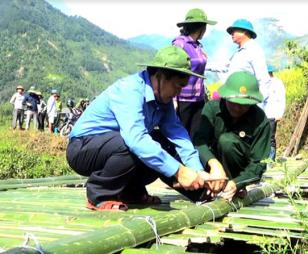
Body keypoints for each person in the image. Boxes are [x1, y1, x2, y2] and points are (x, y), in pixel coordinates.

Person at [66, 46, 222, 211]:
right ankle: (99, 195)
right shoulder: (130, 90)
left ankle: (132, 192)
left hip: (115, 147)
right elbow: (136, 139)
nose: (177, 93)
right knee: (133, 144)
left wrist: (196, 171)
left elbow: (177, 135)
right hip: (82, 148)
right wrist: (178, 171)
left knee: (161, 143)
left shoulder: (164, 100)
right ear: (160, 77)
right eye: (177, 86)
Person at [193, 71, 271, 201]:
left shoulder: (261, 121)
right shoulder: (211, 109)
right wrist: (213, 165)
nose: (237, 108)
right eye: (233, 102)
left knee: (227, 142)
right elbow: (199, 142)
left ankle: (231, 187)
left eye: (243, 105)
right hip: (211, 170)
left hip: (239, 172)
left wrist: (238, 183)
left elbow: (259, 164)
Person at [173, 8, 216, 137]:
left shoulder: (197, 46)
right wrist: (174, 100)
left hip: (198, 98)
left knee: (196, 135)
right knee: (182, 134)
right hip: (184, 99)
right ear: (201, 27)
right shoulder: (180, 44)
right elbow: (174, 70)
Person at [206, 19, 270, 90]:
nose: (232, 34)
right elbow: (225, 66)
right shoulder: (238, 51)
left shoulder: (254, 50)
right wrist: (203, 64)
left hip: (247, 97)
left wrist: (260, 100)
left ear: (244, 31)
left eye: (234, 31)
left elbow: (263, 79)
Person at [259, 64, 286, 161]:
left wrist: (280, 113)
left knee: (270, 137)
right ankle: (263, 158)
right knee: (261, 137)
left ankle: (271, 159)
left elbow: (281, 99)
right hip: (261, 115)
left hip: (272, 114)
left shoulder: (277, 83)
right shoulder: (261, 83)